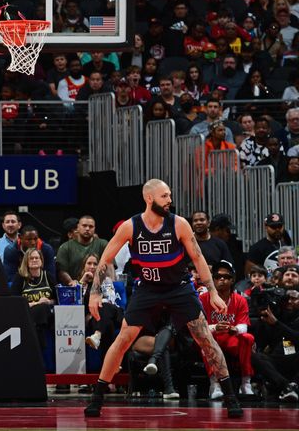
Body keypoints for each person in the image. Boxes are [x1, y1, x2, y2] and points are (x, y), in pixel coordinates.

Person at [84, 178, 243, 418]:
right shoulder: (131, 226)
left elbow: (198, 258)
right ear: (149, 198)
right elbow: (105, 259)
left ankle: (231, 398)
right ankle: (97, 398)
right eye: (164, 196)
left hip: (179, 287)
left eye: (169, 195)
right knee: (124, 339)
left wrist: (211, 290)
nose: (170, 200)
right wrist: (95, 292)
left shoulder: (179, 224)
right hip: (148, 288)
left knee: (205, 338)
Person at [200, 260, 255, 398]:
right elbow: (197, 327)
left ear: (233, 280)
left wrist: (234, 329)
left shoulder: (240, 300)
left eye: (226, 277)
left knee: (248, 338)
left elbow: (244, 326)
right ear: (212, 280)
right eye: (218, 277)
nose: (222, 279)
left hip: (231, 337)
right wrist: (215, 327)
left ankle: (246, 383)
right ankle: (215, 384)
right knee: (206, 341)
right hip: (211, 336)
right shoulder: (203, 298)